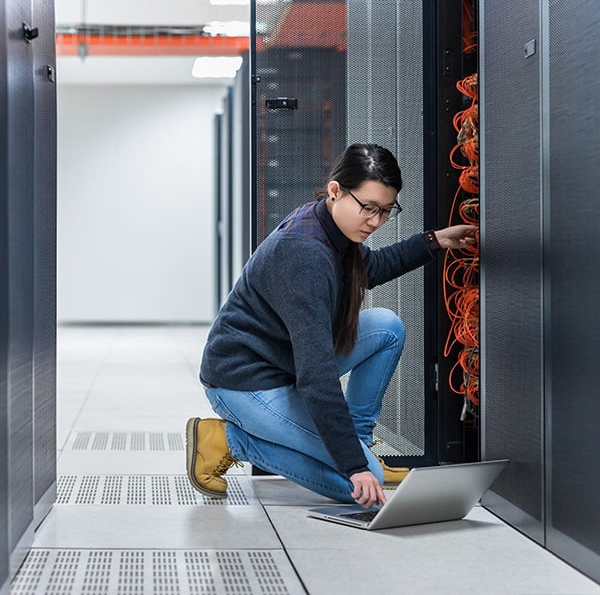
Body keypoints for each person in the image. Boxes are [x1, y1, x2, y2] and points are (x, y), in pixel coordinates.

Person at [186, 143, 477, 509]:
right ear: (336, 190)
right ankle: (229, 440)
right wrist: (354, 465)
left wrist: (436, 241)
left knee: (386, 326)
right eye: (368, 208)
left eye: (386, 211)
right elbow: (317, 375)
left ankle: (357, 440)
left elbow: (369, 269)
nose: (375, 221)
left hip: (283, 363)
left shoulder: (330, 225)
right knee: (362, 489)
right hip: (244, 383)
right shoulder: (304, 253)